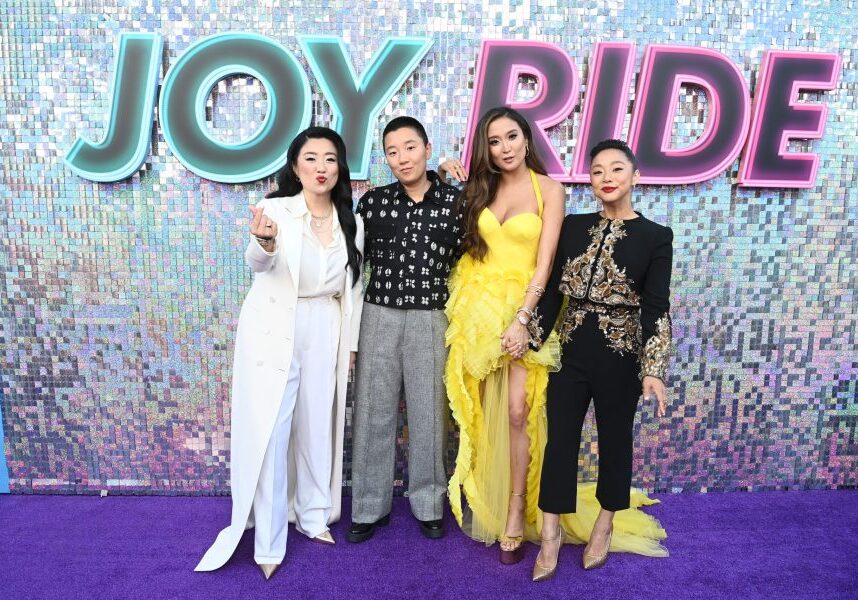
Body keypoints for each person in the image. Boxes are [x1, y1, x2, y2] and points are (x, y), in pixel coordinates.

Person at [195, 127, 364, 580]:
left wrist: (349, 345)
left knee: (317, 424)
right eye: (311, 158)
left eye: (330, 159)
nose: (321, 168)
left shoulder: (351, 218)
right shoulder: (273, 210)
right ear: (296, 166)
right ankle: (268, 541)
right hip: (277, 327)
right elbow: (259, 260)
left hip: (325, 324)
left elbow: (355, 288)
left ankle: (313, 516)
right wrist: (264, 241)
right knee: (273, 431)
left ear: (340, 167)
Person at [532, 138, 671, 581]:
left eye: (615, 169)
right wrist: (528, 338)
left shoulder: (655, 237)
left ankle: (605, 524)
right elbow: (554, 290)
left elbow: (656, 306)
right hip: (571, 350)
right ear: (589, 180)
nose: (606, 178)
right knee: (560, 443)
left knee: (615, 441)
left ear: (634, 176)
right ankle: (550, 531)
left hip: (621, 356)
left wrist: (653, 369)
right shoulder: (573, 226)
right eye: (597, 171)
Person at [441, 106, 566, 564]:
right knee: (479, 408)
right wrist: (442, 172)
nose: (505, 148)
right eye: (495, 141)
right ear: (486, 149)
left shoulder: (549, 189)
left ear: (526, 139)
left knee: (517, 410)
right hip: (477, 306)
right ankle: (487, 495)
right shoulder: (479, 188)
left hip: (522, 308)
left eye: (511, 137)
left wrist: (523, 320)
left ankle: (516, 505)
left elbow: (545, 263)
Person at [348, 116, 461, 543]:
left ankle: (429, 503)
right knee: (372, 411)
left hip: (432, 316)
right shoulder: (373, 203)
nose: (402, 158)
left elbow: (470, 262)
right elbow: (356, 268)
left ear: (427, 149)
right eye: (392, 151)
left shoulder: (456, 203)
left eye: (410, 147)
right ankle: (367, 506)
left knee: (429, 412)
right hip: (378, 314)